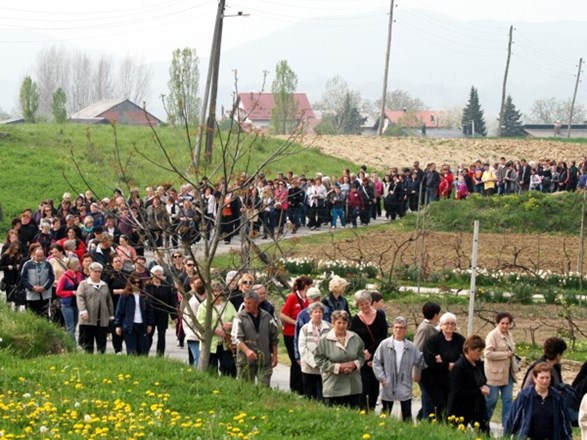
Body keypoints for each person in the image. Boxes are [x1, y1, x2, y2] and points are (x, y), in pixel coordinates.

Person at [373, 316, 426, 422]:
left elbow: (421, 361)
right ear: (393, 328)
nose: (398, 330)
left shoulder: (411, 347)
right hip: (388, 383)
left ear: (405, 330)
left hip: (405, 383)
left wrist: (433, 357)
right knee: (385, 414)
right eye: (396, 327)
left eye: (401, 327)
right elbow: (376, 362)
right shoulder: (385, 344)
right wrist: (382, 378)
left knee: (407, 415)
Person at [505, 362, 572, 440]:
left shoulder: (557, 398)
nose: (545, 381)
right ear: (534, 378)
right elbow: (512, 419)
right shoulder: (524, 396)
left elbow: (565, 423)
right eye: (542, 378)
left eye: (547, 378)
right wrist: (506, 436)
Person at [315, 310, 365, 408]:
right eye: (338, 322)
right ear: (333, 323)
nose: (341, 325)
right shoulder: (324, 340)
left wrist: (354, 365)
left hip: (353, 386)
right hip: (333, 386)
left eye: (344, 323)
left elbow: (361, 355)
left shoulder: (355, 337)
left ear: (347, 324)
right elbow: (319, 359)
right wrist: (338, 367)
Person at [350, 290, 388, 411]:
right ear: (358, 305)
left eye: (366, 303)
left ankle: (371, 411)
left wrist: (370, 351)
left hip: (377, 356)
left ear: (370, 302)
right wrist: (363, 353)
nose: (365, 306)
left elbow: (383, 336)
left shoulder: (380, 316)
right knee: (363, 388)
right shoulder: (354, 320)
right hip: (362, 358)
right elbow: (353, 340)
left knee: (374, 387)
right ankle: (363, 412)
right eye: (361, 304)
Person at [422, 312, 466, 418]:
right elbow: (431, 361)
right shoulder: (433, 341)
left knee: (453, 408)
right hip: (435, 381)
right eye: (446, 323)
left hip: (454, 381)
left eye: (452, 324)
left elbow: (465, 358)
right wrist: (447, 365)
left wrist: (445, 362)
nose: (449, 326)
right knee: (438, 408)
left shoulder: (461, 340)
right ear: (441, 325)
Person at [233, 290, 279, 386]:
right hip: (245, 361)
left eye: (249, 303)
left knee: (264, 388)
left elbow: (274, 338)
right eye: (245, 302)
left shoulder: (267, 317)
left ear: (257, 303)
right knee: (246, 388)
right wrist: (247, 351)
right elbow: (237, 338)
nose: (246, 305)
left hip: (264, 360)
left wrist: (274, 355)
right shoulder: (239, 317)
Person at [447, 335, 490, 433]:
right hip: (460, 409)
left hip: (478, 408)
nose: (480, 353)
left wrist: (484, 386)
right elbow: (457, 392)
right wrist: (479, 391)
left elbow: (482, 380)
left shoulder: (479, 364)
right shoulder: (459, 367)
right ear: (470, 350)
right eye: (478, 351)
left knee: (484, 433)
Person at [484, 311, 519, 427]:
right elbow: (488, 353)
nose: (505, 326)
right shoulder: (492, 335)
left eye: (507, 323)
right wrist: (505, 354)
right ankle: (483, 424)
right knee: (491, 400)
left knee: (508, 401)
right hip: (494, 374)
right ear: (497, 323)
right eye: (502, 323)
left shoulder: (509, 335)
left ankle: (507, 428)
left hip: (507, 374)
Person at [196, 280, 237, 377]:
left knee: (228, 367)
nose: (219, 298)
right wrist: (214, 330)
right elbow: (200, 323)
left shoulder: (227, 305)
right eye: (216, 295)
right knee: (211, 370)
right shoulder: (204, 306)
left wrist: (231, 324)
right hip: (210, 344)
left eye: (221, 295)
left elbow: (237, 318)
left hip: (225, 343)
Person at [280, 275, 312, 395]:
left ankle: (303, 388)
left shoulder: (308, 299)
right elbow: (283, 315)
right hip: (291, 333)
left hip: (303, 334)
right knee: (295, 361)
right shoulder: (293, 298)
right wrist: (297, 323)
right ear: (306, 286)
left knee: (303, 361)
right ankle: (295, 388)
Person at [76, 262, 114, 354]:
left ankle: (101, 359)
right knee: (88, 343)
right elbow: (80, 297)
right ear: (90, 272)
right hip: (88, 318)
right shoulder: (84, 284)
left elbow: (109, 300)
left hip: (102, 318)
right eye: (95, 271)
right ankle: (89, 359)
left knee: (101, 343)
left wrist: (111, 314)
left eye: (99, 272)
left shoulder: (104, 285)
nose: (97, 273)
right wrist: (83, 311)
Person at [115, 271, 155, 356]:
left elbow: (150, 310)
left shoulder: (144, 295)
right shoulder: (125, 295)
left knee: (143, 350)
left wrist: (150, 324)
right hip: (130, 326)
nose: (136, 284)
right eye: (134, 282)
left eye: (138, 282)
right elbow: (120, 311)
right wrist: (118, 325)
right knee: (132, 351)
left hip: (142, 325)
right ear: (130, 282)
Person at [298, 302, 331, 400]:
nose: (318, 314)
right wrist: (314, 362)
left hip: (324, 367)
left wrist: (322, 362)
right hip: (308, 367)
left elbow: (331, 345)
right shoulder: (304, 328)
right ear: (310, 314)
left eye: (320, 312)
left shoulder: (329, 327)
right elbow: (302, 348)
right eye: (315, 312)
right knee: (309, 394)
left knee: (323, 394)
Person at [414, 302, 441, 420]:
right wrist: (416, 372)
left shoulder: (430, 327)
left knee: (430, 396)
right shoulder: (425, 328)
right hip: (424, 370)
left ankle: (421, 417)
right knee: (427, 396)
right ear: (435, 315)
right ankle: (424, 419)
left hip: (430, 370)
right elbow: (417, 350)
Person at [145, 265, 178, 357]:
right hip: (151, 313)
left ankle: (160, 355)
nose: (158, 276)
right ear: (152, 275)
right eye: (156, 274)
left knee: (161, 335)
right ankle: (145, 352)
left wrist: (174, 316)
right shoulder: (148, 286)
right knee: (149, 334)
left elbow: (171, 301)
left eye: (160, 275)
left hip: (162, 313)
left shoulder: (166, 286)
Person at [20, 247, 55, 318]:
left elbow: (51, 277)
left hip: (45, 294)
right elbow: (23, 278)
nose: (39, 258)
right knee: (32, 315)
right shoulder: (27, 264)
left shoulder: (48, 264)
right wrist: (32, 287)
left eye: (41, 256)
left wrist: (44, 287)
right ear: (33, 255)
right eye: (38, 256)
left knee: (44, 314)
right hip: (32, 294)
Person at [55, 258, 83, 341]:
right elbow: (58, 292)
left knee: (74, 325)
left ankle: (71, 343)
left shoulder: (79, 275)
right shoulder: (64, 277)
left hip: (76, 303)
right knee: (70, 327)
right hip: (67, 304)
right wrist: (72, 292)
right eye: (77, 264)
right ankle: (72, 346)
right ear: (72, 265)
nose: (79, 265)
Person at [182, 276, 205, 367]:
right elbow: (191, 322)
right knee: (197, 358)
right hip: (194, 334)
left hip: (200, 335)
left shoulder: (204, 300)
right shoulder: (193, 302)